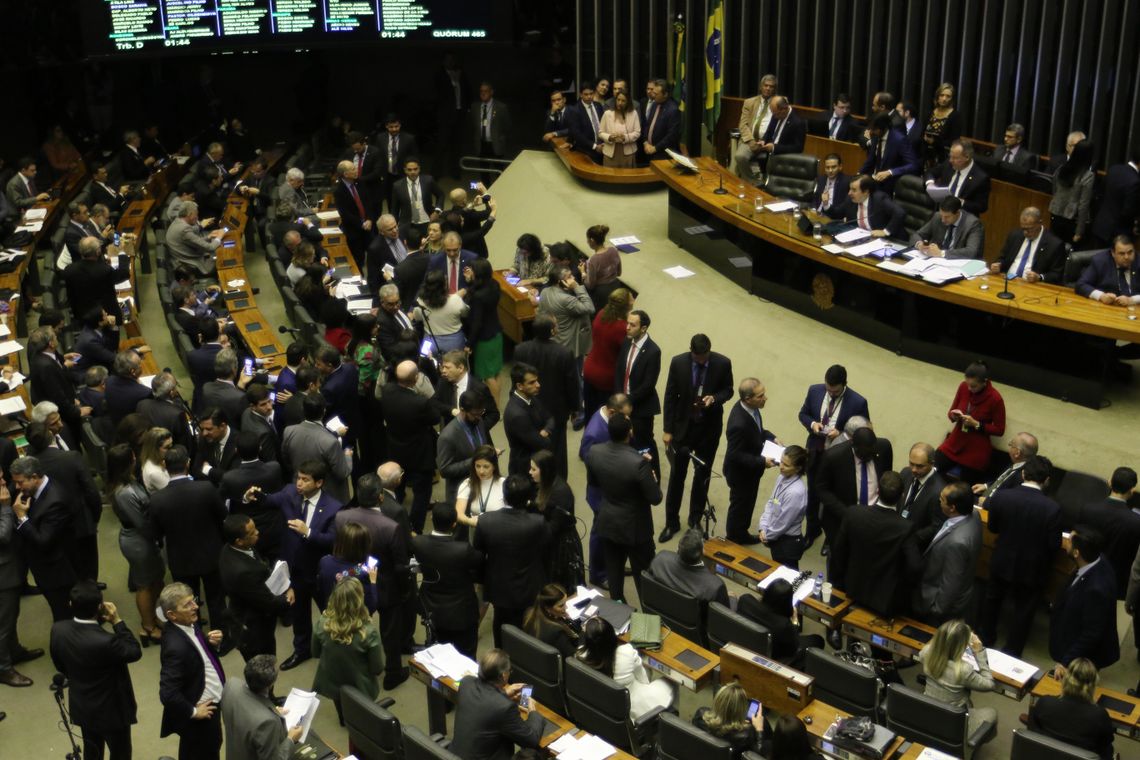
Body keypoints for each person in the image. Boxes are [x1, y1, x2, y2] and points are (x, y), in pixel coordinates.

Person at [242, 460, 343, 671]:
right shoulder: (290, 493)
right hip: (295, 569)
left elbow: (333, 540)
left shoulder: (334, 508)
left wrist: (308, 532)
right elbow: (269, 500)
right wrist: (252, 495)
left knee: (331, 612)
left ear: (319, 483)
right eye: (298, 478)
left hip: (318, 572)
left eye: (305, 480)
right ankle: (302, 650)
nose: (299, 483)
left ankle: (338, 650)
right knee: (299, 613)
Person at [49, 580, 142, 760]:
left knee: (92, 750)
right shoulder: (107, 641)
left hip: (83, 705)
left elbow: (60, 665)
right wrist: (117, 621)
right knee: (120, 752)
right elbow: (134, 651)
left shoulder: (58, 629)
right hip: (113, 712)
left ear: (70, 605)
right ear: (101, 607)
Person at [977, 455, 1061, 654]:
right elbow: (1054, 544)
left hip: (1002, 560)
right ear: (1047, 480)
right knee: (1023, 612)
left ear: (1023, 474)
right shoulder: (1052, 509)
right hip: (1032, 569)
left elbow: (994, 527)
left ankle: (985, 639)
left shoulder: (1002, 497)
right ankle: (1012, 651)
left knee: (992, 601)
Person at [660, 333, 733, 541]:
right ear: (691, 351)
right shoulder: (678, 363)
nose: (701, 361)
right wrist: (668, 429)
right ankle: (671, 522)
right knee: (677, 476)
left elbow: (728, 390)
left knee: (702, 477)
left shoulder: (722, 363)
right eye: (697, 358)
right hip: (683, 429)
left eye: (704, 357)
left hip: (708, 430)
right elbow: (670, 396)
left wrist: (715, 398)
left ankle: (695, 520)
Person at [149, 445, 227, 635]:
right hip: (211, 553)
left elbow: (155, 532)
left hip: (180, 558)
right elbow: (222, 515)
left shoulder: (158, 499)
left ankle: (196, 636)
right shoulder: (206, 488)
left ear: (165, 466)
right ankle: (222, 636)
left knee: (186, 602)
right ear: (188, 463)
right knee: (216, 598)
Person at [589, 414, 662, 603]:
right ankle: (648, 618)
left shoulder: (595, 452)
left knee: (614, 575)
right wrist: (651, 478)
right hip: (636, 530)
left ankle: (618, 618)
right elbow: (655, 498)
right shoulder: (639, 463)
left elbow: (594, 483)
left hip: (608, 522)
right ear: (630, 432)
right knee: (644, 578)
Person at [475, 474, 549, 647]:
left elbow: (478, 555)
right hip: (529, 585)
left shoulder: (486, 521)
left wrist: (482, 581)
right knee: (529, 628)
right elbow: (546, 549)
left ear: (505, 495)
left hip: (499, 586)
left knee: (500, 624)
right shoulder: (537, 522)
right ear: (528, 498)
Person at [158, 582, 226, 760]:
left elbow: (197, 654)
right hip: (202, 712)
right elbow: (167, 693)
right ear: (172, 615)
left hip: (210, 701)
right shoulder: (175, 648)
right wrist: (194, 712)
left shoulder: (189, 623)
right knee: (204, 751)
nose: (195, 606)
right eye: (187, 605)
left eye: (193, 600)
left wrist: (211, 645)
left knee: (206, 747)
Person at [106, 444, 165, 647]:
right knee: (144, 585)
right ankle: (148, 627)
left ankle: (152, 618)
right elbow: (140, 523)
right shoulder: (123, 493)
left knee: (155, 579)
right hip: (138, 541)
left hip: (144, 539)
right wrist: (159, 534)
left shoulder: (129, 480)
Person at [829, 471, 912, 616]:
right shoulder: (905, 527)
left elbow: (838, 549)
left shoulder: (853, 513)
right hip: (883, 597)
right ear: (902, 495)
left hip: (852, 585)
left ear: (878, 491)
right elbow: (914, 565)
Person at [11, 455, 78, 621]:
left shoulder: (55, 500)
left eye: (20, 482)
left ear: (34, 477)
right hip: (43, 568)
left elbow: (43, 541)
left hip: (57, 572)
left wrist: (22, 517)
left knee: (63, 615)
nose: (17, 487)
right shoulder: (34, 491)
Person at [219, 514, 294, 661]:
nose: (257, 532)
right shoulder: (243, 572)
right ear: (239, 541)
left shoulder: (230, 549)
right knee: (264, 671)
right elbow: (269, 602)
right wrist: (288, 598)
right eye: (252, 533)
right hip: (254, 632)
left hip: (247, 615)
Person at [413, 502, 483, 658]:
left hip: (432, 610)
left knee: (439, 656)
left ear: (431, 517)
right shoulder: (463, 549)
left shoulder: (418, 543)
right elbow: (480, 562)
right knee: (466, 657)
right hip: (462, 613)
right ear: (454, 524)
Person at [908, 482, 982, 625]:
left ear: (952, 508)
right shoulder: (973, 514)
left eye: (942, 499)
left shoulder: (957, 543)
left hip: (937, 605)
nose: (938, 501)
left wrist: (936, 610)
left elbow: (950, 583)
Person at [451, 648, 544, 760]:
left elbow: (484, 701)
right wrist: (533, 710)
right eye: (510, 671)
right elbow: (531, 739)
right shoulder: (505, 707)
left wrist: (504, 693)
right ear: (504, 675)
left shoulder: (466, 682)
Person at [1049, 526, 1120, 674]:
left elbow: (1091, 633)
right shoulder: (1096, 559)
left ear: (1076, 553)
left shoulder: (1096, 589)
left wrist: (1065, 662)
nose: (1066, 542)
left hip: (1083, 658)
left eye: (1069, 541)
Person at [816, 426, 893, 560]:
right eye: (865, 455)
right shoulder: (833, 457)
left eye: (872, 453)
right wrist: (848, 514)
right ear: (853, 446)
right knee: (840, 560)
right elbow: (822, 489)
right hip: (843, 519)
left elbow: (886, 475)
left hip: (874, 518)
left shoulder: (883, 447)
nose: (870, 457)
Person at [312, 577, 383, 722]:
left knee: (340, 701)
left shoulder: (322, 623)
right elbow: (377, 668)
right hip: (361, 687)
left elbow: (315, 652)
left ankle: (343, 719)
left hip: (332, 681)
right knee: (363, 718)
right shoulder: (368, 632)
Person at [379, 360, 438, 534]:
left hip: (396, 449)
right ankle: (415, 528)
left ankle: (394, 522)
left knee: (397, 487)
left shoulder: (387, 391)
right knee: (422, 493)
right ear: (416, 378)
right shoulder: (420, 402)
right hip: (419, 453)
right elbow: (434, 418)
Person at [577, 616, 674, 718]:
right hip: (636, 705)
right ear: (612, 635)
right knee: (670, 682)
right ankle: (669, 719)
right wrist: (647, 686)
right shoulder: (626, 651)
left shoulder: (580, 654)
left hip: (607, 706)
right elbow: (643, 678)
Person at [917, 620, 997, 739]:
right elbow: (990, 684)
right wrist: (979, 651)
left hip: (929, 712)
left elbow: (934, 644)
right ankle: (972, 740)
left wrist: (945, 635)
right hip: (953, 721)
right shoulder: (963, 670)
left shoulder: (926, 653)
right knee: (992, 713)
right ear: (962, 647)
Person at [723, 378, 778, 545]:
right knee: (740, 506)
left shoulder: (751, 409)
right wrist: (762, 462)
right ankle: (733, 537)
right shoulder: (738, 424)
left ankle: (742, 532)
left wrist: (771, 437)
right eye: (761, 396)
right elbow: (735, 455)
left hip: (750, 472)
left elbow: (758, 431)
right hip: (741, 475)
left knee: (747, 504)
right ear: (748, 399)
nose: (765, 398)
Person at [1028, 657, 1116, 760]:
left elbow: (1033, 729)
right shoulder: (1099, 715)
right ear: (1092, 685)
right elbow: (1105, 742)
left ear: (1066, 679)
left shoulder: (1045, 702)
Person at [933, 361, 1005, 484]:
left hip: (976, 451)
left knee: (963, 488)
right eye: (968, 385)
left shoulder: (995, 398)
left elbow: (999, 429)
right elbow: (951, 411)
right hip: (955, 442)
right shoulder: (963, 387)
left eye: (974, 386)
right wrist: (954, 416)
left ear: (984, 382)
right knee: (932, 468)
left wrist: (977, 424)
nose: (970, 389)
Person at [220, 654, 302, 760]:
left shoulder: (231, 684)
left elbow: (242, 712)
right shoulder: (267, 723)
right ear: (271, 684)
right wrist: (291, 739)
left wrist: (271, 711)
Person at [1081, 467, 1140, 607]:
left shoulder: (1088, 509)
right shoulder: (1136, 523)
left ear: (1109, 482)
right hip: (1114, 585)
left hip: (1085, 577)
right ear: (1131, 491)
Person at [615, 310, 661, 479]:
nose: (627, 328)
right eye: (627, 323)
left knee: (644, 442)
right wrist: (618, 398)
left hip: (641, 407)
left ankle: (653, 475)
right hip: (622, 403)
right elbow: (620, 371)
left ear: (643, 328)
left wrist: (627, 401)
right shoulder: (627, 342)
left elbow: (648, 385)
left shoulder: (653, 351)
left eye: (632, 325)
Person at [738, 578, 824, 669]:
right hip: (773, 655)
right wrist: (795, 621)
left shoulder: (745, 599)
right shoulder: (784, 625)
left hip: (746, 643)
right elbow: (793, 647)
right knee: (817, 640)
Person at [530, 450, 584, 591]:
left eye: (534, 469)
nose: (530, 472)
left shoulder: (560, 493)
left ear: (545, 470)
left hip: (563, 547)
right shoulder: (546, 484)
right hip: (553, 542)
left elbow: (553, 528)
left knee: (561, 588)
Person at [582, 288, 632, 421]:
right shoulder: (622, 328)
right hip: (606, 378)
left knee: (590, 414)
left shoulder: (601, 314)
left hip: (589, 369)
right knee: (605, 418)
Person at [757, 446, 809, 568]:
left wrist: (767, 536)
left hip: (788, 544)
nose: (781, 466)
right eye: (781, 462)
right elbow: (771, 502)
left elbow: (783, 522)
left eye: (786, 465)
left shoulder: (796, 492)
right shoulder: (782, 477)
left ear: (798, 469)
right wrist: (763, 526)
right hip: (776, 536)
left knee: (787, 581)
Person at [648, 527, 729, 606]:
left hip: (664, 608)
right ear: (703, 552)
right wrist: (731, 598)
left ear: (678, 549)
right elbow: (723, 614)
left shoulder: (660, 559)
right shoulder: (715, 586)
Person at [502, 362, 555, 477]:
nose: (538, 385)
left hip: (534, 463)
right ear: (520, 386)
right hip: (524, 470)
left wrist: (546, 431)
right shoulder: (517, 414)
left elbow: (550, 418)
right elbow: (541, 443)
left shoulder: (531, 398)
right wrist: (547, 436)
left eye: (537, 380)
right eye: (532, 382)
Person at [990, 206, 1067, 283]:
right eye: (1023, 228)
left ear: (1039, 223)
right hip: (1007, 280)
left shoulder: (1054, 244)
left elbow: (1057, 275)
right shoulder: (1015, 235)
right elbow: (1002, 258)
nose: (1025, 233)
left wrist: (1039, 277)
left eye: (1029, 229)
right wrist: (998, 265)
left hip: (1032, 285)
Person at [316, 520, 378, 613]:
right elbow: (370, 607)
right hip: (353, 622)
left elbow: (320, 592)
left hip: (329, 616)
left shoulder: (324, 561)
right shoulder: (363, 572)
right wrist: (373, 581)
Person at [691, 682, 766, 758]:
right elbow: (757, 757)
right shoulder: (745, 735)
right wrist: (759, 729)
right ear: (741, 709)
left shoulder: (700, 715)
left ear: (718, 700)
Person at [465, 258, 504, 399]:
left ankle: (495, 408)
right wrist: (472, 281)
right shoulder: (495, 284)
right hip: (497, 333)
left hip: (484, 340)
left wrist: (469, 343)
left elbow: (477, 322)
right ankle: (498, 403)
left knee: (487, 376)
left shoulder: (477, 296)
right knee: (496, 372)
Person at [433, 349, 499, 431]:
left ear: (460, 368)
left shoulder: (479, 388)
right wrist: (451, 410)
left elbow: (494, 414)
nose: (443, 371)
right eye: (443, 367)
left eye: (447, 367)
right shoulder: (443, 382)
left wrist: (479, 430)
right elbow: (434, 403)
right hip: (452, 433)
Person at [924, 139, 991, 216]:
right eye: (950, 157)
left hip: (961, 220)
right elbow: (930, 172)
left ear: (967, 157)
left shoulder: (980, 178)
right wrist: (930, 184)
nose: (950, 160)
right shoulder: (948, 165)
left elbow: (981, 206)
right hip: (940, 214)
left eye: (955, 158)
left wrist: (960, 202)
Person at [858, 113, 920, 195]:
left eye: (874, 129)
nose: (871, 132)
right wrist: (859, 174)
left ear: (883, 128)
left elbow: (913, 165)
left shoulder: (899, 140)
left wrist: (890, 172)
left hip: (890, 186)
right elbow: (870, 160)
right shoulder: (875, 136)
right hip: (874, 181)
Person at [1049, 138, 1096, 246]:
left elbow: (1055, 189)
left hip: (1055, 214)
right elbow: (1083, 205)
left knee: (1053, 247)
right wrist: (1079, 231)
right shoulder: (1087, 176)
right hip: (1072, 220)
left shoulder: (1062, 168)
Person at [1090, 148, 1140, 247]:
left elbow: (1100, 194)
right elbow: (1127, 212)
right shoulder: (1135, 181)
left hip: (1099, 226)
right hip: (1116, 235)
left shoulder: (1114, 169)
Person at [971, 432, 1039, 503]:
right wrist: (987, 486)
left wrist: (986, 502)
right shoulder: (1016, 464)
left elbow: (1008, 502)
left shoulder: (1023, 476)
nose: (1009, 446)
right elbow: (1002, 483)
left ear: (1017, 453)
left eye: (1011, 445)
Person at [733, 74, 779, 178]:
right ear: (761, 87)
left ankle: (767, 183)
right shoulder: (749, 102)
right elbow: (743, 124)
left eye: (771, 86)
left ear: (775, 89)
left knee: (774, 163)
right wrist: (751, 141)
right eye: (766, 85)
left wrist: (768, 142)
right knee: (739, 156)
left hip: (769, 142)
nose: (768, 88)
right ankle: (752, 183)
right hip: (750, 139)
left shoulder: (779, 102)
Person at [910, 196, 984, 259]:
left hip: (959, 265)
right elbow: (917, 235)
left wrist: (942, 253)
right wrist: (920, 245)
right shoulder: (937, 216)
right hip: (936, 262)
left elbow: (971, 252)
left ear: (957, 213)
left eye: (947, 217)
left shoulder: (973, 224)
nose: (943, 220)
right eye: (942, 215)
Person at [1075, 234, 1139, 306]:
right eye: (1122, 253)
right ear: (1113, 253)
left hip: (1134, 310)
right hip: (1106, 308)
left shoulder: (1138, 261)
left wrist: (1133, 300)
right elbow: (1081, 285)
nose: (1127, 257)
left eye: (1130, 252)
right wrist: (1101, 296)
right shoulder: (1100, 261)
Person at [166, 201, 224, 278]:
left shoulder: (177, 222)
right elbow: (210, 248)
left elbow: (193, 241)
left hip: (188, 259)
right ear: (190, 215)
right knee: (224, 260)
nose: (197, 217)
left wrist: (209, 237)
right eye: (196, 214)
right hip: (196, 267)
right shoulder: (183, 229)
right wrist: (220, 236)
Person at [836, 175, 906, 238]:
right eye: (850, 189)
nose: (849, 193)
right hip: (865, 238)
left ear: (866, 191)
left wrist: (885, 232)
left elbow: (900, 212)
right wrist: (826, 204)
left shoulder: (879, 199)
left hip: (890, 239)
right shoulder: (851, 200)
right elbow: (838, 213)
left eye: (854, 190)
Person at [522, 583, 579, 657]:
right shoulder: (556, 632)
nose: (566, 607)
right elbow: (573, 657)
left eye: (565, 603)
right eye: (561, 605)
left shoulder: (529, 614)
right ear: (547, 608)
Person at [921, 82, 963, 166]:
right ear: (937, 97)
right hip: (925, 154)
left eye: (948, 96)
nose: (944, 99)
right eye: (942, 95)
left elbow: (954, 141)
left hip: (943, 156)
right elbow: (921, 131)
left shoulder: (955, 116)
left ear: (952, 98)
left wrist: (935, 142)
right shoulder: (930, 113)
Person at [582, 224, 623, 311]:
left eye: (587, 239)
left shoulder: (593, 260)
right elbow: (619, 273)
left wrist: (583, 273)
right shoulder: (614, 250)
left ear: (592, 240)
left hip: (602, 294)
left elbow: (590, 285)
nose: (587, 242)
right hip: (616, 287)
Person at [471, 81, 512, 164]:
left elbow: (507, 126)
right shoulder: (475, 107)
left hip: (496, 143)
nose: (483, 93)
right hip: (481, 145)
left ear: (491, 92)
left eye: (485, 91)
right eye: (481, 91)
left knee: (498, 170)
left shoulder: (501, 107)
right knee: (483, 171)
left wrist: (501, 138)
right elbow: (473, 126)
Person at [641, 77, 682, 161]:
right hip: (649, 151)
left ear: (665, 94)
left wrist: (655, 148)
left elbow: (671, 136)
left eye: (656, 94)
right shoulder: (654, 104)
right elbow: (647, 125)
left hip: (663, 155)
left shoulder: (673, 110)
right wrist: (645, 142)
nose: (653, 95)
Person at [598, 90, 641, 168]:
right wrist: (609, 137)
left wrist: (625, 137)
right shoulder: (607, 114)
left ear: (628, 102)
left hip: (628, 153)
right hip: (610, 153)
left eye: (623, 101)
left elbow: (637, 132)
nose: (620, 103)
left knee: (627, 178)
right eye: (618, 100)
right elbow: (600, 132)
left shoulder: (633, 113)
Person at [568, 80, 606, 162]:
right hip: (586, 151)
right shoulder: (575, 110)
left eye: (591, 94)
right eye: (586, 94)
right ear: (581, 95)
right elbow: (577, 134)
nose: (589, 96)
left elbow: (604, 125)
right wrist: (595, 146)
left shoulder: (598, 106)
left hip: (603, 147)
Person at [810, 153, 851, 217]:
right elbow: (815, 197)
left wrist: (826, 205)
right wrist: (813, 209)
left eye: (833, 167)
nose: (830, 170)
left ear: (840, 167)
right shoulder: (821, 179)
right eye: (827, 167)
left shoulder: (846, 182)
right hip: (816, 214)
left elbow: (843, 208)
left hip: (832, 217)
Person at [139, 426, 173, 493]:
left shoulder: (157, 460)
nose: (171, 450)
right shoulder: (154, 473)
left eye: (171, 445)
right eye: (166, 447)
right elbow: (174, 492)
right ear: (154, 449)